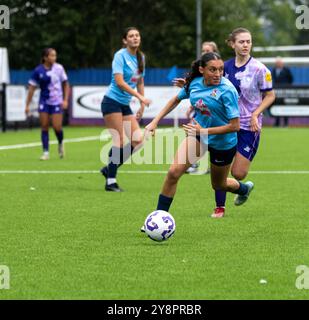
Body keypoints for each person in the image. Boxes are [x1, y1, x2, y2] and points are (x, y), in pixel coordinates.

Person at [142, 52, 254, 230]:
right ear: (202, 70)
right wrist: (154, 121)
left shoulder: (227, 90)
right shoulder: (194, 83)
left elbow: (235, 126)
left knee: (219, 184)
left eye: (220, 70)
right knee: (173, 173)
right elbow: (175, 99)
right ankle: (157, 220)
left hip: (223, 142)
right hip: (198, 134)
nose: (218, 74)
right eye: (212, 70)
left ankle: (243, 189)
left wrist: (204, 130)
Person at [212, 27, 276, 218]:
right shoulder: (224, 67)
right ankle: (219, 207)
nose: (246, 45)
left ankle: (242, 188)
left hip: (249, 126)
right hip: (228, 125)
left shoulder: (260, 69)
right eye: (241, 41)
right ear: (232, 44)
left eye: (248, 41)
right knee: (221, 168)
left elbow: (270, 95)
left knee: (238, 173)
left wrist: (256, 114)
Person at [100, 27, 151, 192]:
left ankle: (109, 168)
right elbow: (120, 82)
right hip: (111, 102)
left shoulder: (141, 57)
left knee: (138, 141)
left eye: (137, 35)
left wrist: (142, 105)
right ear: (125, 40)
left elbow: (140, 82)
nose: (135, 38)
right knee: (119, 141)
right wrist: (140, 97)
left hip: (124, 105)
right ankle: (110, 181)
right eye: (131, 36)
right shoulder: (120, 56)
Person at [25, 48, 70, 160]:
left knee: (57, 127)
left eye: (55, 55)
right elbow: (31, 88)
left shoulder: (59, 68)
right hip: (44, 101)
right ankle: (46, 152)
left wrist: (65, 100)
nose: (54, 58)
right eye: (51, 55)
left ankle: (60, 143)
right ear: (45, 57)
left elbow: (65, 84)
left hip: (56, 102)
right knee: (44, 126)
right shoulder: (38, 71)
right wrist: (27, 105)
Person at [271, 57, 293, 127]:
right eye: (277, 63)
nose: (278, 64)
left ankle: (285, 123)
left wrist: (286, 87)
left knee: (285, 107)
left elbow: (291, 79)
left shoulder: (287, 70)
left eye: (279, 63)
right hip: (276, 91)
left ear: (282, 63)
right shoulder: (274, 70)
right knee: (276, 106)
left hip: (285, 91)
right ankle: (277, 123)